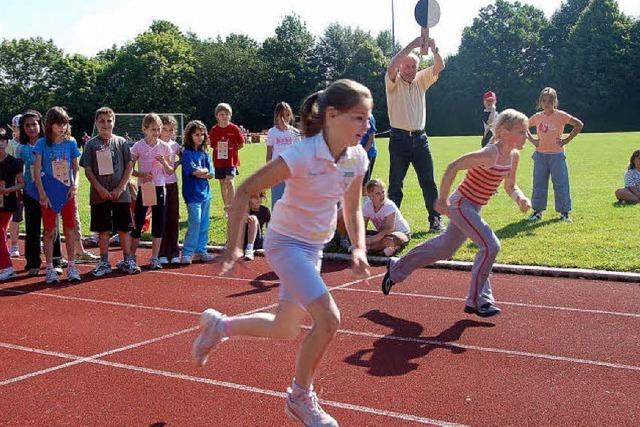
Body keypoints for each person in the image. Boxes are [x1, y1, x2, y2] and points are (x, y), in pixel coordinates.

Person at [191, 79, 372, 427]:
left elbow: (351, 209)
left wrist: (359, 246)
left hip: (313, 248)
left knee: (285, 328)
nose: (366, 126)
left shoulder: (356, 158)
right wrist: (232, 247)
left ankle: (219, 326)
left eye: (368, 118)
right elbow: (245, 189)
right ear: (332, 115)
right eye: (359, 118)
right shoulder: (302, 154)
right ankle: (300, 398)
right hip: (285, 243)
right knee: (329, 319)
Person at [381, 109, 532, 318]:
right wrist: (442, 200)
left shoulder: (513, 156)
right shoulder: (490, 154)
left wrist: (520, 198)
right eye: (522, 131)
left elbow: (510, 186)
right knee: (490, 245)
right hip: (461, 204)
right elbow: (453, 166)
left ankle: (396, 268)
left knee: (445, 248)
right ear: (505, 132)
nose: (527, 136)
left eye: (527, 131)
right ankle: (479, 300)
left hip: (474, 207)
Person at [385, 36, 445, 233]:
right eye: (407, 66)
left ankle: (435, 220)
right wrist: (413, 44)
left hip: (420, 139)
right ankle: (392, 223)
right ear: (402, 67)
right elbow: (392, 65)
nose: (410, 70)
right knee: (395, 184)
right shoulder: (393, 82)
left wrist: (434, 49)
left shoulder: (421, 80)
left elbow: (439, 67)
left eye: (413, 66)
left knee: (428, 182)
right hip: (399, 139)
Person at [81, 107, 137, 277]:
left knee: (123, 228)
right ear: (96, 123)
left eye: (109, 120)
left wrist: (120, 188)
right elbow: (88, 169)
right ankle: (104, 261)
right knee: (103, 229)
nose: (106, 124)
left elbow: (129, 166)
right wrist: (101, 189)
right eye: (102, 121)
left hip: (121, 194)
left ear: (114, 122)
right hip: (100, 195)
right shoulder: (91, 144)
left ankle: (127, 260)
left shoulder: (121, 142)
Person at [32, 107, 82, 284]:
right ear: (50, 125)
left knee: (70, 229)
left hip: (67, 192)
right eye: (58, 124)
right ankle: (50, 269)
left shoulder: (71, 143)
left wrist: (75, 185)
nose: (62, 127)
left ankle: (72, 266)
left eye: (65, 123)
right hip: (50, 192)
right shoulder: (41, 144)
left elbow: (75, 168)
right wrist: (42, 194)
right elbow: (37, 172)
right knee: (49, 230)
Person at [527, 87, 584, 222]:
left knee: (561, 184)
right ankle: (537, 212)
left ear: (555, 102)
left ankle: (564, 213)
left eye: (550, 101)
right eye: (544, 101)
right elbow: (523, 126)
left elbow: (578, 124)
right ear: (540, 102)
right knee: (539, 184)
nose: (547, 104)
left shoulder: (561, 115)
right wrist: (533, 141)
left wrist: (566, 140)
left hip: (557, 156)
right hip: (540, 155)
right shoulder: (537, 117)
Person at [129, 113, 173, 270]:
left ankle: (155, 257)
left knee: (158, 222)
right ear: (144, 129)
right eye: (153, 129)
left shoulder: (165, 147)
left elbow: (169, 171)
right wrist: (142, 175)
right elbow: (130, 170)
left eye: (158, 128)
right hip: (145, 188)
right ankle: (131, 256)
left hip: (159, 187)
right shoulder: (138, 146)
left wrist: (164, 162)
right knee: (139, 221)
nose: (156, 132)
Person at [180, 120, 215, 265]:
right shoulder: (186, 153)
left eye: (202, 134)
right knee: (195, 222)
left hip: (206, 194)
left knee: (204, 224)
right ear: (190, 136)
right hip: (192, 194)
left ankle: (201, 250)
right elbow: (193, 172)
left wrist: (204, 172)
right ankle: (187, 252)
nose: (199, 137)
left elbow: (211, 172)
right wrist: (202, 172)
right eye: (196, 134)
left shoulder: (205, 153)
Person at [208, 103, 244, 216]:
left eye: (227, 114)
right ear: (217, 116)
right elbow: (212, 145)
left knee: (230, 181)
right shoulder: (214, 130)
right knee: (222, 183)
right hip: (219, 161)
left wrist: (232, 150)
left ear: (230, 116)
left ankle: (232, 207)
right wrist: (219, 148)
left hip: (231, 161)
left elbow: (241, 143)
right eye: (221, 114)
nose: (224, 116)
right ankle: (226, 208)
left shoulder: (234, 128)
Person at [265, 101, 301, 208]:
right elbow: (269, 154)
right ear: (277, 116)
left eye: (287, 115)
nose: (285, 118)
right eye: (282, 115)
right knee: (277, 200)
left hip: (292, 171)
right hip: (277, 171)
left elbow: (299, 154)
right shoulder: (272, 132)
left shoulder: (294, 132)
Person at [362, 178, 411, 257]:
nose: (382, 195)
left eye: (383, 192)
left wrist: (373, 239)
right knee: (357, 235)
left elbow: (389, 229)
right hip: (383, 234)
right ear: (370, 195)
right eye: (378, 193)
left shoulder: (389, 206)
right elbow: (362, 227)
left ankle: (369, 247)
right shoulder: (367, 206)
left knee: (389, 240)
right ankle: (388, 248)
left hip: (400, 233)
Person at [0, 128, 24, 280]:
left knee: (1, 233)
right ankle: (5, 265)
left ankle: (7, 267)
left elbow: (22, 184)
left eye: (2, 140)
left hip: (8, 202)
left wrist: (8, 189)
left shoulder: (14, 162)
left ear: (7, 143)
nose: (0, 144)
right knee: (1, 233)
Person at [158, 115, 182, 265]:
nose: (167, 133)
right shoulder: (156, 144)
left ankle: (174, 251)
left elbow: (184, 157)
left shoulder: (176, 146)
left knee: (173, 217)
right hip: (159, 185)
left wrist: (177, 164)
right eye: (164, 129)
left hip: (172, 184)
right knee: (161, 218)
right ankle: (162, 251)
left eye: (171, 130)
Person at [7, 114, 23, 258]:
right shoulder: (10, 145)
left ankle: (38, 241)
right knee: (15, 217)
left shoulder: (31, 143)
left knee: (34, 215)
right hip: (16, 186)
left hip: (31, 186)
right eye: (17, 127)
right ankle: (14, 244)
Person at [242, 191, 271, 261]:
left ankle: (249, 249)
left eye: (261, 196)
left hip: (256, 242)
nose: (259, 199)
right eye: (255, 197)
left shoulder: (265, 210)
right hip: (242, 240)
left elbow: (270, 228)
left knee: (253, 218)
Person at [360, 114, 377, 186]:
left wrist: (363, 153)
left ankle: (365, 197)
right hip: (354, 154)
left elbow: (371, 139)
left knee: (365, 181)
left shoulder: (368, 117)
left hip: (368, 153)